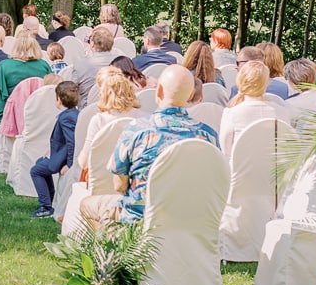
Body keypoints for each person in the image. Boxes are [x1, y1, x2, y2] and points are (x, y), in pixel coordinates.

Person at [80, 65, 219, 225]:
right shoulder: (209, 136)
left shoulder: (136, 130)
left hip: (141, 218)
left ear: (158, 91)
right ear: (191, 94)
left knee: (86, 205)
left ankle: (113, 247)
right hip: (191, 218)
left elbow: (119, 186)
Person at [29, 81, 81, 219]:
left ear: (58, 99)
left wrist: (69, 165)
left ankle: (46, 206)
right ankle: (50, 200)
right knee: (39, 163)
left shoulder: (66, 117)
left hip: (63, 158)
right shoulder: (73, 113)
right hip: (59, 154)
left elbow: (72, 142)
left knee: (35, 171)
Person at [76, 67, 142, 174]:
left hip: (103, 184)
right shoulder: (143, 117)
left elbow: (84, 163)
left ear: (103, 93)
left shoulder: (99, 120)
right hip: (133, 181)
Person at [220, 60, 289, 160]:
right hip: (275, 173)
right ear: (266, 83)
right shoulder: (281, 112)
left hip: (240, 173)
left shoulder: (232, 113)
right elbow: (287, 149)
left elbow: (226, 152)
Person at [0, 35, 52, 123]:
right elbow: (51, 90)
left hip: (9, 112)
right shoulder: (44, 65)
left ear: (15, 48)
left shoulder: (4, 65)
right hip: (37, 110)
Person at [70, 27, 119, 108]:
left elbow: (71, 91)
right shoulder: (121, 62)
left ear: (92, 44)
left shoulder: (80, 64)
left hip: (87, 111)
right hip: (115, 109)